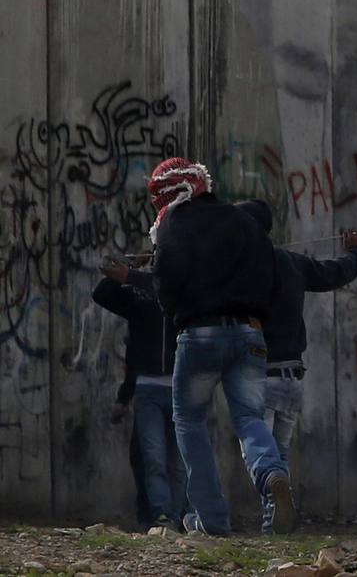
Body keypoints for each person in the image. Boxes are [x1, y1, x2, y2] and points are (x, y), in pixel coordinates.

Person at [117, 157, 293, 536]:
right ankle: (271, 473)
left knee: (190, 422)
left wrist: (178, 312)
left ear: (173, 191)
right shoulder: (245, 221)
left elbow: (164, 282)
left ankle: (212, 520)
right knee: (249, 418)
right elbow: (273, 274)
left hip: (200, 336)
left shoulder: (174, 225)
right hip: (251, 333)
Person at [236, 200, 357, 534]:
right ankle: (275, 527)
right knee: (278, 452)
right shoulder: (292, 263)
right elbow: (337, 272)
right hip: (293, 377)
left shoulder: (239, 270)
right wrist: (355, 251)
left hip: (259, 376)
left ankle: (272, 499)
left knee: (258, 454)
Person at [93, 271, 186, 530]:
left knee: (176, 461)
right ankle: (163, 516)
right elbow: (102, 292)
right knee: (154, 457)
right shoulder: (141, 295)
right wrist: (131, 273)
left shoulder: (185, 290)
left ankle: (174, 517)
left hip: (179, 387)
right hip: (149, 386)